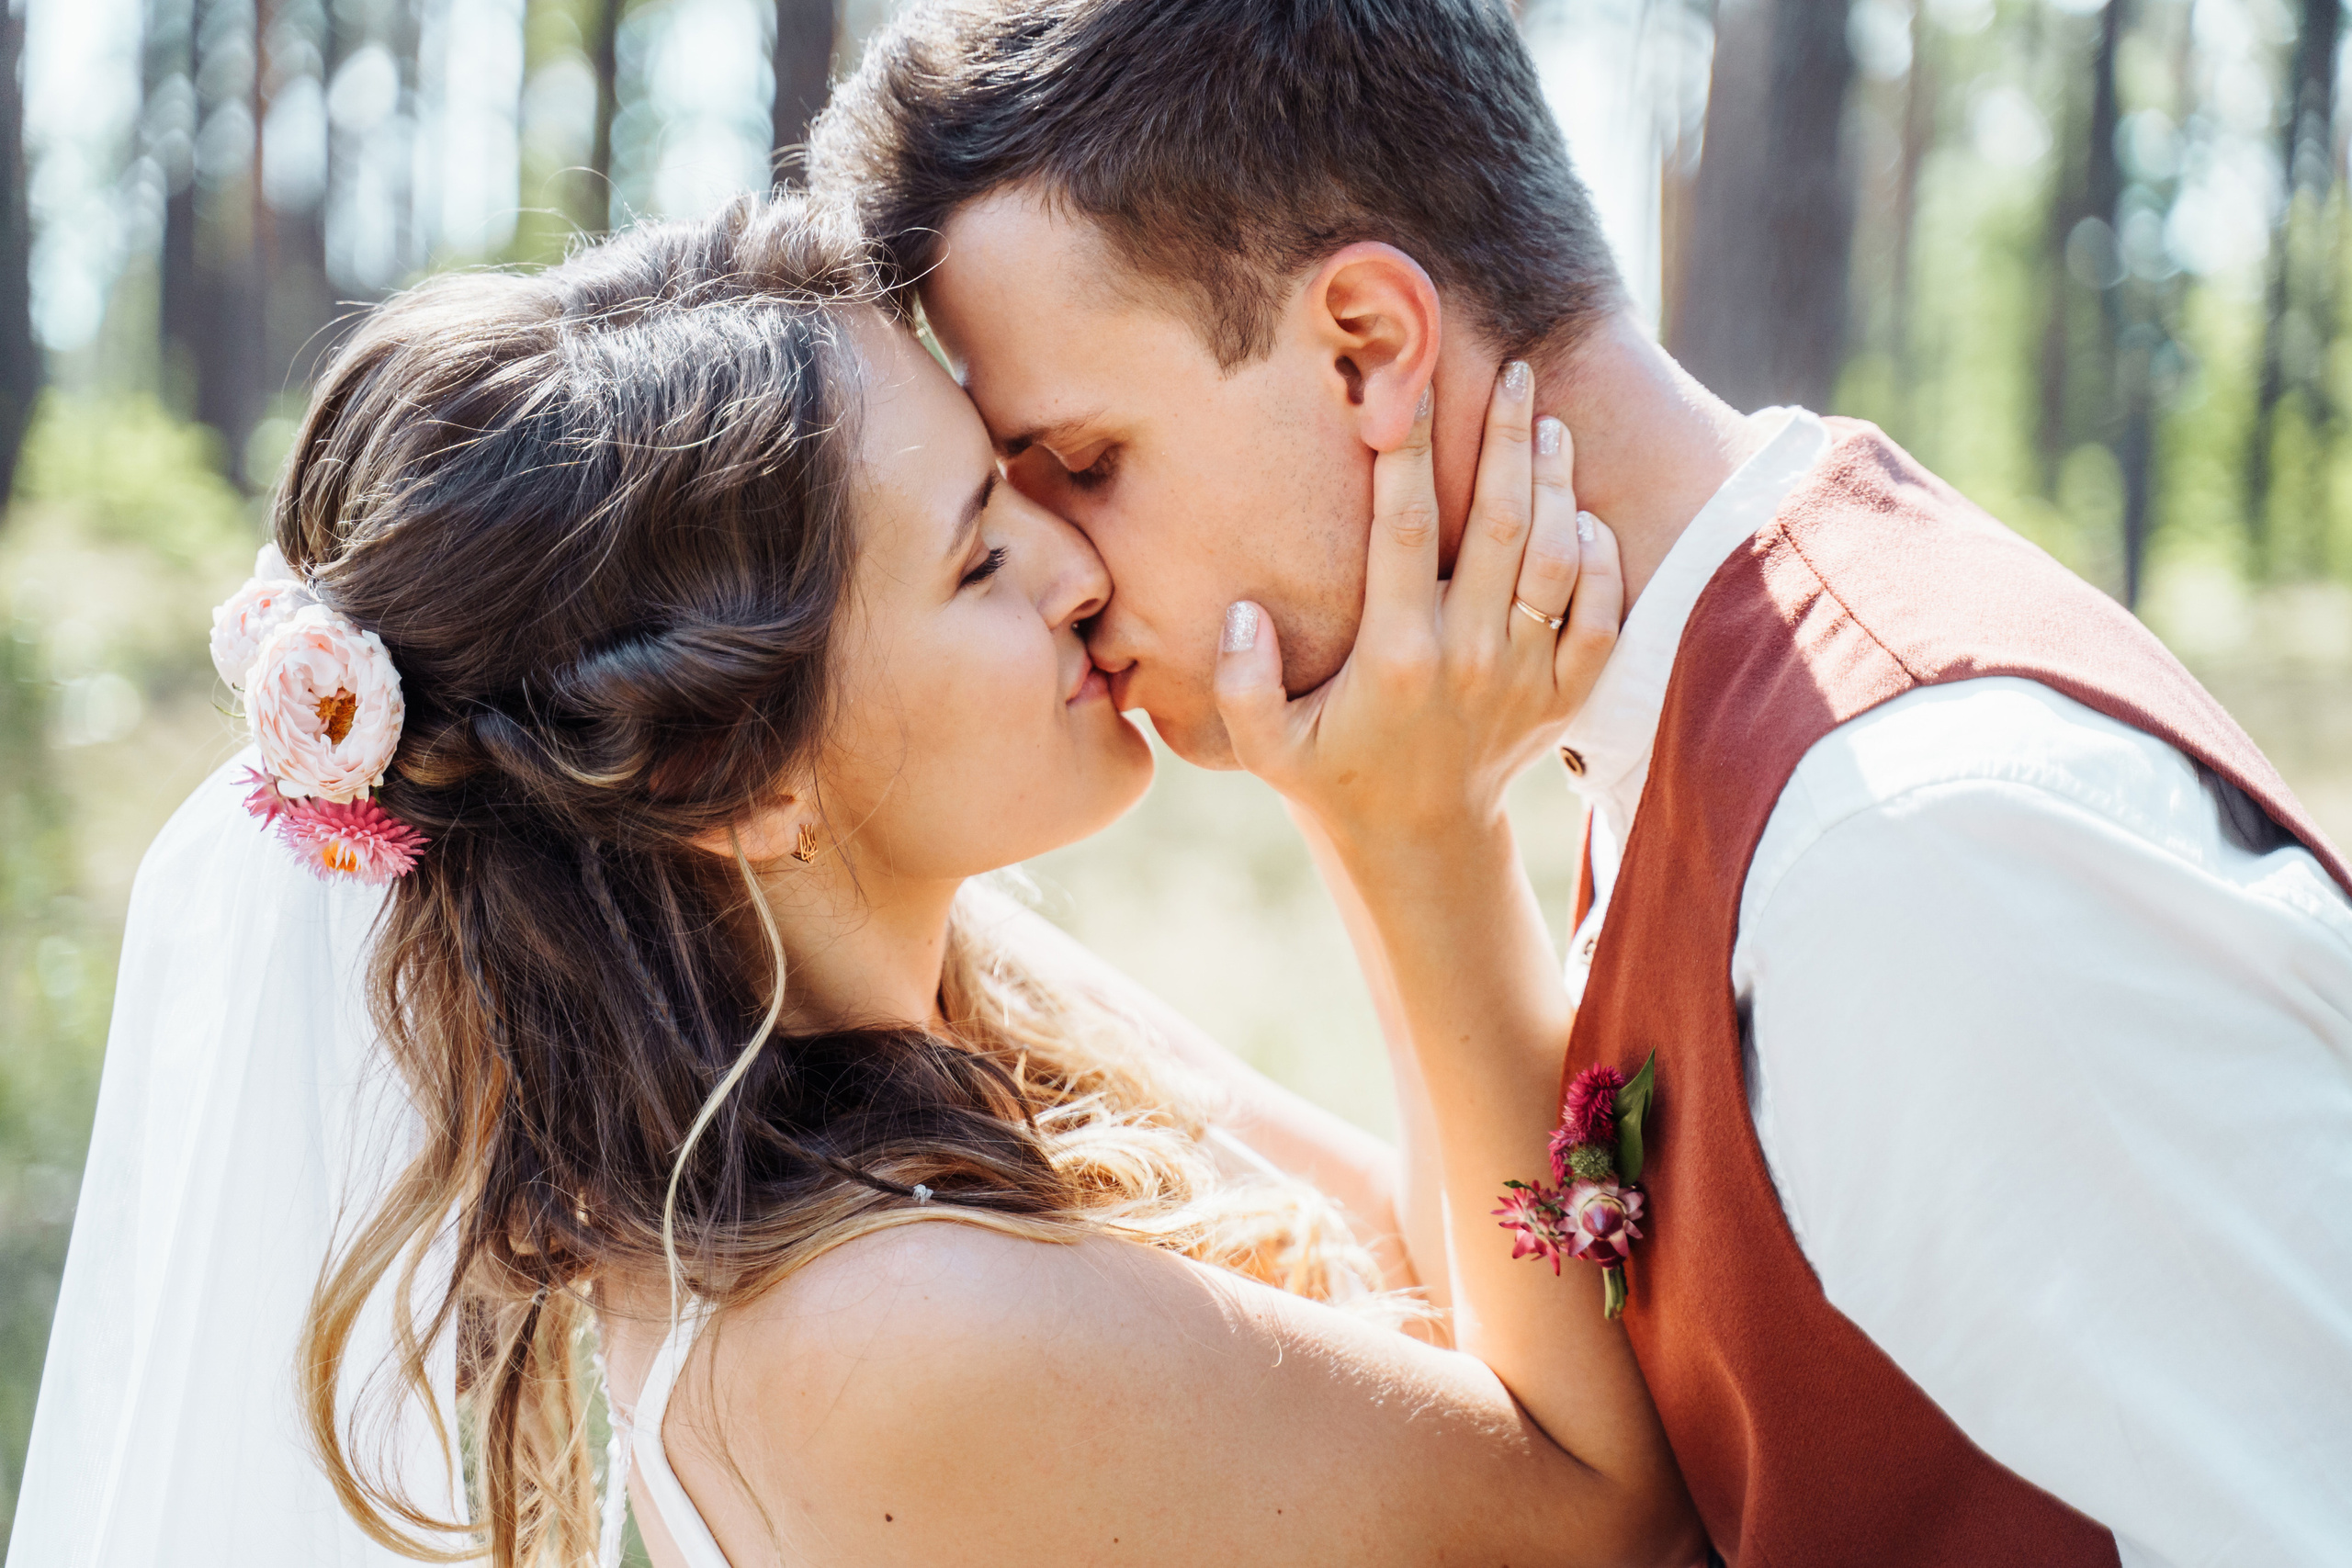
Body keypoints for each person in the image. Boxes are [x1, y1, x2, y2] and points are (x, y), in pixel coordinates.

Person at [808, 2, 2352, 1564]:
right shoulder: (1685, 739)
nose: (1065, 568)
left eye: (1087, 461)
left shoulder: (1918, 852)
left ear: (1365, 353)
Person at [18, 192, 1696, 1568]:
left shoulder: (943, 1012)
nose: (1076, 567)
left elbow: (1428, 1251)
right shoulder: (889, 1326)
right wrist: (1413, 841)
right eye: (978, 552)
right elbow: (1611, 1523)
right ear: (729, 781)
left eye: (1041, 477)